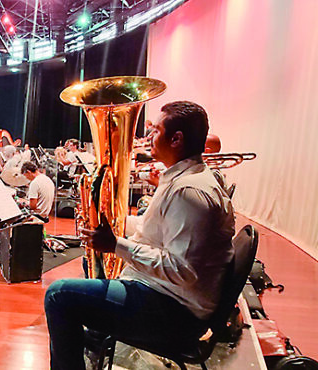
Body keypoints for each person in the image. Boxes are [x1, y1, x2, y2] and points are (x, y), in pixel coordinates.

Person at [44, 101, 235, 369]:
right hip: (170, 299)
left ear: (176, 139)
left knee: (58, 294)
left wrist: (116, 245)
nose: (148, 138)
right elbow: (154, 229)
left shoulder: (189, 193)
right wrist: (114, 221)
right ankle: (97, 337)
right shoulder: (185, 179)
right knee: (92, 264)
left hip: (175, 314)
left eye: (155, 131)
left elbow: (182, 270)